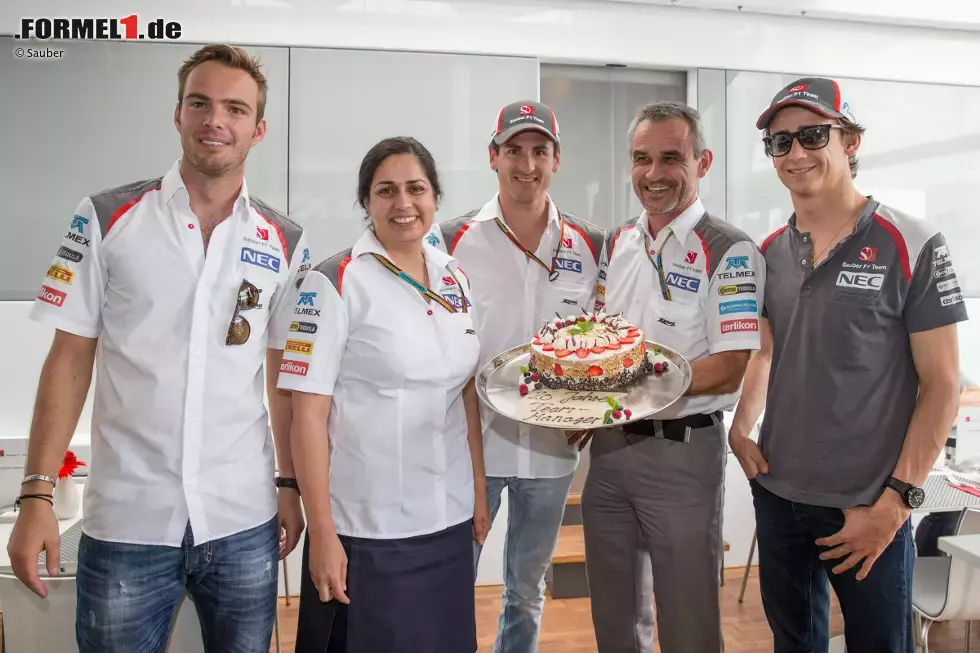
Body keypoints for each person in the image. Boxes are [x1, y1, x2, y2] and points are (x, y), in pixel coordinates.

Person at [6, 44, 308, 652]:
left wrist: (288, 485)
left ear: (259, 128)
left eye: (234, 108)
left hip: (242, 520)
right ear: (177, 114)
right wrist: (37, 494)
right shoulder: (106, 217)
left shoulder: (285, 240)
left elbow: (281, 376)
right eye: (199, 103)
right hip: (128, 522)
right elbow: (68, 359)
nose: (214, 120)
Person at [728, 77, 968, 653]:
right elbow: (765, 352)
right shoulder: (767, 253)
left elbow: (942, 385)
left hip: (866, 505)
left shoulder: (912, 242)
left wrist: (896, 503)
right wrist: (740, 427)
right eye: (780, 143)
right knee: (795, 643)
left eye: (813, 135)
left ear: (851, 141)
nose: (796, 153)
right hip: (778, 492)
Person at [280, 136, 489, 653]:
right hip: (368, 531)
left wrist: (479, 491)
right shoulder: (333, 282)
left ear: (435, 197)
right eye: (385, 190)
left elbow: (463, 394)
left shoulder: (455, 278)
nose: (403, 203)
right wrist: (323, 535)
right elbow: (306, 416)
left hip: (447, 520)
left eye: (416, 188)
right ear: (366, 202)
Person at [587, 100, 765, 653]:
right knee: (614, 620)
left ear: (702, 162)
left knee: (687, 624)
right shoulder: (617, 242)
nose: (653, 173)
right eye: (642, 158)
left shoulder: (730, 250)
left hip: (683, 455)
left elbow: (731, 364)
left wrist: (627, 383)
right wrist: (583, 403)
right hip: (609, 452)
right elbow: (601, 342)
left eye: (671, 158)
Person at [433, 101, 606, 653]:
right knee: (452, 586)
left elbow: (600, 339)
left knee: (526, 590)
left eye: (539, 151)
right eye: (513, 150)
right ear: (493, 157)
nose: (526, 164)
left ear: (557, 160)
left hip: (552, 455)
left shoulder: (590, 243)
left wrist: (596, 409)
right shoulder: (450, 239)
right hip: (471, 450)